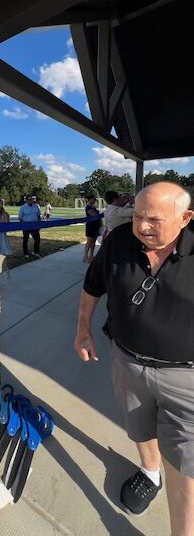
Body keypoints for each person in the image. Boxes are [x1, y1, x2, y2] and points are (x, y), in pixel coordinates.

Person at [74, 182, 194, 535]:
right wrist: (82, 330)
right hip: (127, 361)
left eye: (153, 220)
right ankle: (149, 473)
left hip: (187, 377)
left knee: (186, 472)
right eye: (138, 215)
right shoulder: (120, 239)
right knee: (139, 427)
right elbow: (92, 285)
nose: (141, 226)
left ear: (185, 218)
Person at [83, 196, 101, 262]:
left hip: (96, 225)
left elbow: (98, 217)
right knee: (89, 241)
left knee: (94, 241)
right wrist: (96, 212)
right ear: (89, 200)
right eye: (94, 199)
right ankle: (85, 256)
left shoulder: (94, 207)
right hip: (90, 225)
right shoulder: (88, 207)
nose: (94, 201)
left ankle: (91, 255)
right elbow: (93, 214)